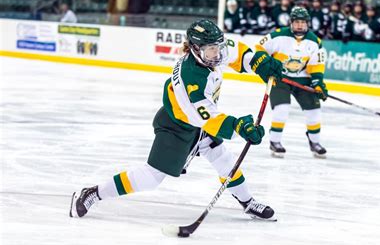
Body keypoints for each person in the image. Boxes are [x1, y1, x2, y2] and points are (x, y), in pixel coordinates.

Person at [69, 19, 283, 221]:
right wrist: (240, 127)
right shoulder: (190, 80)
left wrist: (258, 63)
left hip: (202, 122)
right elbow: (207, 118)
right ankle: (94, 193)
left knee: (224, 160)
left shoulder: (212, 50)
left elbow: (238, 53)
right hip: (178, 126)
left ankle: (247, 202)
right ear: (196, 49)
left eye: (218, 48)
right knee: (151, 178)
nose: (218, 54)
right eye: (211, 50)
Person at [256, 7, 328, 158]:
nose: (300, 25)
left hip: (303, 79)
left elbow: (316, 65)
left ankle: (314, 141)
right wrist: (267, 66)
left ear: (308, 24)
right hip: (279, 78)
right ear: (291, 23)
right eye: (297, 22)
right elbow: (259, 48)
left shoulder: (315, 42)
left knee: (314, 112)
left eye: (303, 22)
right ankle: (275, 141)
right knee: (282, 109)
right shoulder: (278, 35)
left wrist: (318, 82)